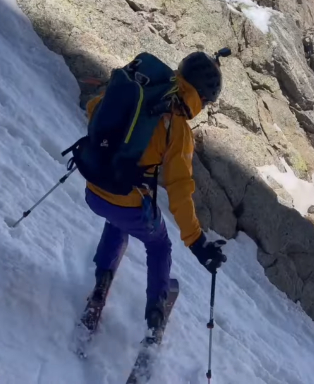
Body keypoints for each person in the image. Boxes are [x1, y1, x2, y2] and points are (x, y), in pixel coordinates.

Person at [82, 51, 228, 335]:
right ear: (202, 97)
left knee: (117, 219)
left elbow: (93, 108)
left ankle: (101, 283)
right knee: (160, 244)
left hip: (94, 189)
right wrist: (197, 242)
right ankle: (155, 316)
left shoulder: (142, 92)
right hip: (128, 205)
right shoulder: (178, 129)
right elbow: (179, 191)